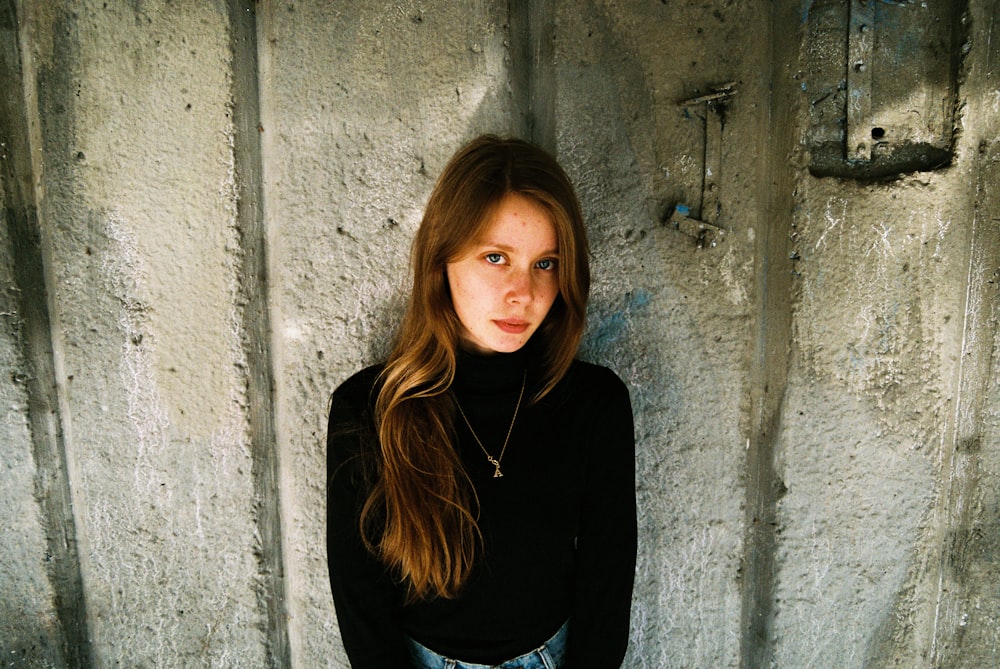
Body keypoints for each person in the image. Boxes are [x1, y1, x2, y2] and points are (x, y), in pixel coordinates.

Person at [326, 135, 637, 669]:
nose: (524, 292)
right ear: (441, 259)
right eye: (496, 257)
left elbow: (607, 584)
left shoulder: (595, 404)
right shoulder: (369, 409)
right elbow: (362, 603)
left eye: (546, 263)